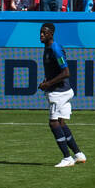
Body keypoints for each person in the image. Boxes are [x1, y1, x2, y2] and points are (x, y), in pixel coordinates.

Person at [39, 23, 85, 168]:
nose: (41, 35)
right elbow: (56, 70)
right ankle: (78, 154)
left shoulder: (55, 49)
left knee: (53, 123)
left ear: (51, 34)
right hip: (61, 90)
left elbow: (66, 72)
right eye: (40, 32)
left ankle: (67, 158)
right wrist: (47, 80)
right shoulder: (47, 48)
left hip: (59, 92)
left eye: (44, 33)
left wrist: (48, 84)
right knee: (61, 122)